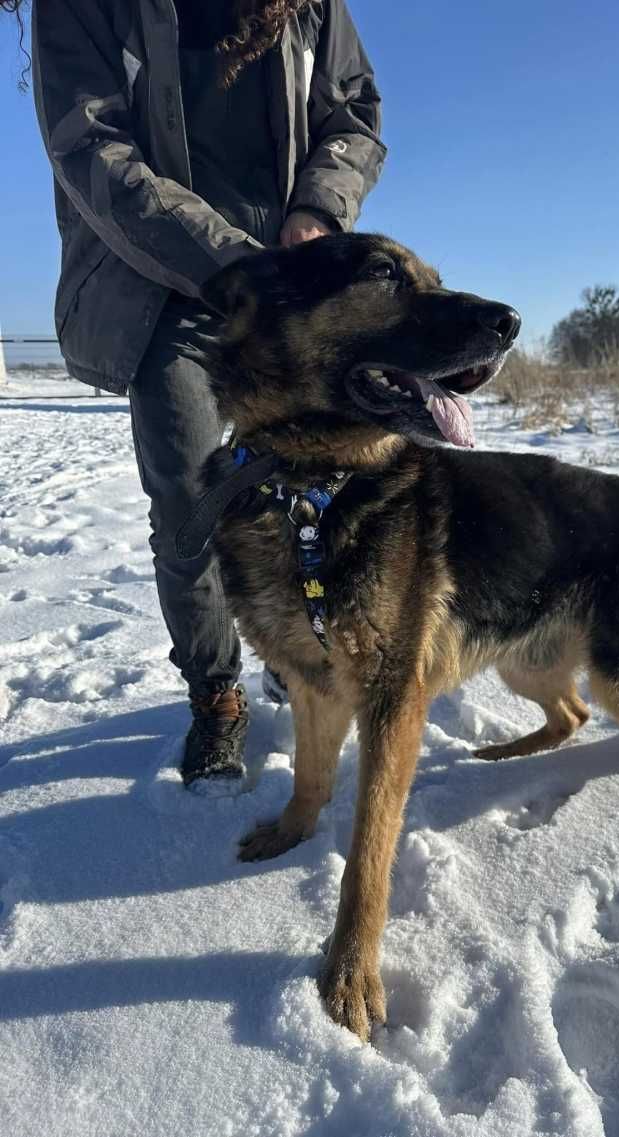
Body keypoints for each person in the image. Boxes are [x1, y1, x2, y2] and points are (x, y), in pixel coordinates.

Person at [16, 0, 385, 786]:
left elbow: (354, 111)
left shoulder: (312, 6)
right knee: (191, 500)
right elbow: (89, 144)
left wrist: (318, 212)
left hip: (290, 289)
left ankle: (295, 650)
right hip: (161, 287)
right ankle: (216, 690)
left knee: (312, 485)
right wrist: (225, 262)